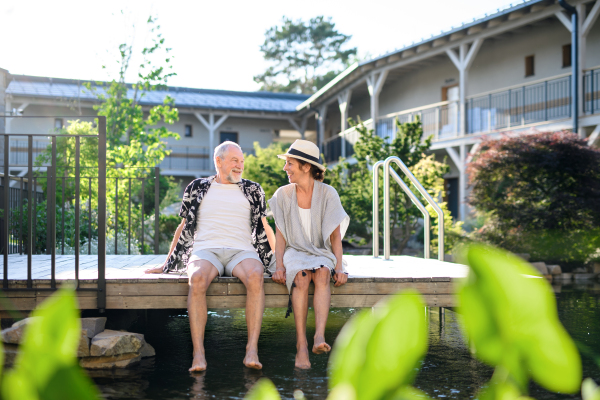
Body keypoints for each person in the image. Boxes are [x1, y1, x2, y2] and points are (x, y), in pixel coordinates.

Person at [145, 141, 276, 372]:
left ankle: (251, 349)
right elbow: (183, 226)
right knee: (196, 278)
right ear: (219, 161)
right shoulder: (197, 187)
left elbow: (265, 226)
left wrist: (279, 263)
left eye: (242, 161)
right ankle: (198, 353)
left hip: (242, 251)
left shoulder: (253, 190)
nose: (240, 166)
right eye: (235, 160)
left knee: (256, 275)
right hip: (206, 250)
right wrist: (166, 264)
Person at [269, 139, 349, 369]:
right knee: (302, 277)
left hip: (321, 251)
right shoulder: (283, 194)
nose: (285, 168)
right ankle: (301, 345)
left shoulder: (328, 194)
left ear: (306, 166)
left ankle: (319, 337)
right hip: (294, 252)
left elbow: (335, 238)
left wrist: (340, 268)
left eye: (289, 163)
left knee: (323, 273)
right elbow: (281, 237)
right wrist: (280, 266)